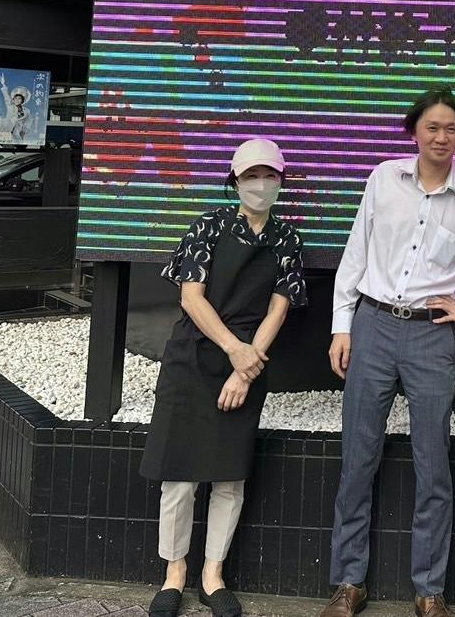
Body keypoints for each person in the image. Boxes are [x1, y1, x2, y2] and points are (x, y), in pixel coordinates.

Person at [322, 88, 455, 617]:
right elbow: (356, 253)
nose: (441, 137)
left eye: (451, 129)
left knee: (433, 464)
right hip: (373, 325)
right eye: (432, 127)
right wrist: (342, 326)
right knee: (357, 459)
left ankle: (429, 590)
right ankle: (348, 584)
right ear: (414, 131)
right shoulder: (383, 178)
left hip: (432, 335)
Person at [140, 138, 307, 617]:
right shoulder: (209, 226)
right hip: (193, 357)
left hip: (249, 363)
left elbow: (279, 309)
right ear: (234, 181)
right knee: (179, 477)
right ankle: (174, 573)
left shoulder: (287, 239)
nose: (261, 184)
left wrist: (247, 367)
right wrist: (235, 350)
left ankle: (213, 575)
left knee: (229, 476)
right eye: (252, 176)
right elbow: (191, 297)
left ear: (281, 181)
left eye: (270, 175)